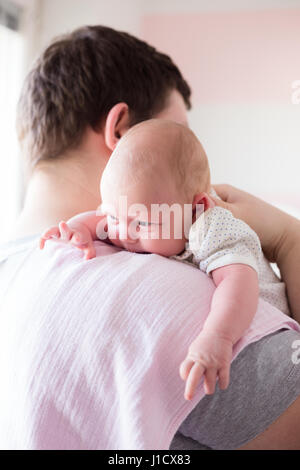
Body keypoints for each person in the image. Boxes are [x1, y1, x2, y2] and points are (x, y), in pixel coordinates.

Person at [1, 25, 300, 450]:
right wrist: (290, 238)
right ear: (121, 130)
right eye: (173, 133)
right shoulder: (170, 297)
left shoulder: (12, 275)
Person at [39, 118, 289, 403]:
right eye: (114, 215)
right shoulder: (132, 213)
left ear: (196, 209)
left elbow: (238, 283)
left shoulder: (212, 228)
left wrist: (218, 336)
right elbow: (100, 220)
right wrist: (76, 229)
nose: (122, 232)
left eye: (143, 223)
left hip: (271, 329)